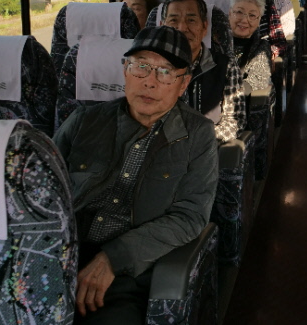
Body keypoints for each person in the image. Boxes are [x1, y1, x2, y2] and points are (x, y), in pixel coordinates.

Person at [53, 25, 219, 324]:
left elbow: (190, 216)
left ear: (183, 84)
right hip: (60, 254)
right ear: (125, 72)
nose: (150, 82)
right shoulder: (83, 121)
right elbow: (43, 193)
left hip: (131, 271)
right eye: (141, 67)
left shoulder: (198, 135)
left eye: (165, 72)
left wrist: (114, 258)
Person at [160, 0, 246, 143]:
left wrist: (193, 140)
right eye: (173, 20)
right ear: (162, 26)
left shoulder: (225, 66)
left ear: (205, 27)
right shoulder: (148, 68)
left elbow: (234, 122)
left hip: (205, 149)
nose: (182, 28)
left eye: (191, 20)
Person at [229, 0, 272, 96]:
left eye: (252, 15)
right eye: (239, 12)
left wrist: (229, 93)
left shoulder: (262, 47)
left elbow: (257, 79)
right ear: (230, 14)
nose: (244, 20)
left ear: (258, 21)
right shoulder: (214, 42)